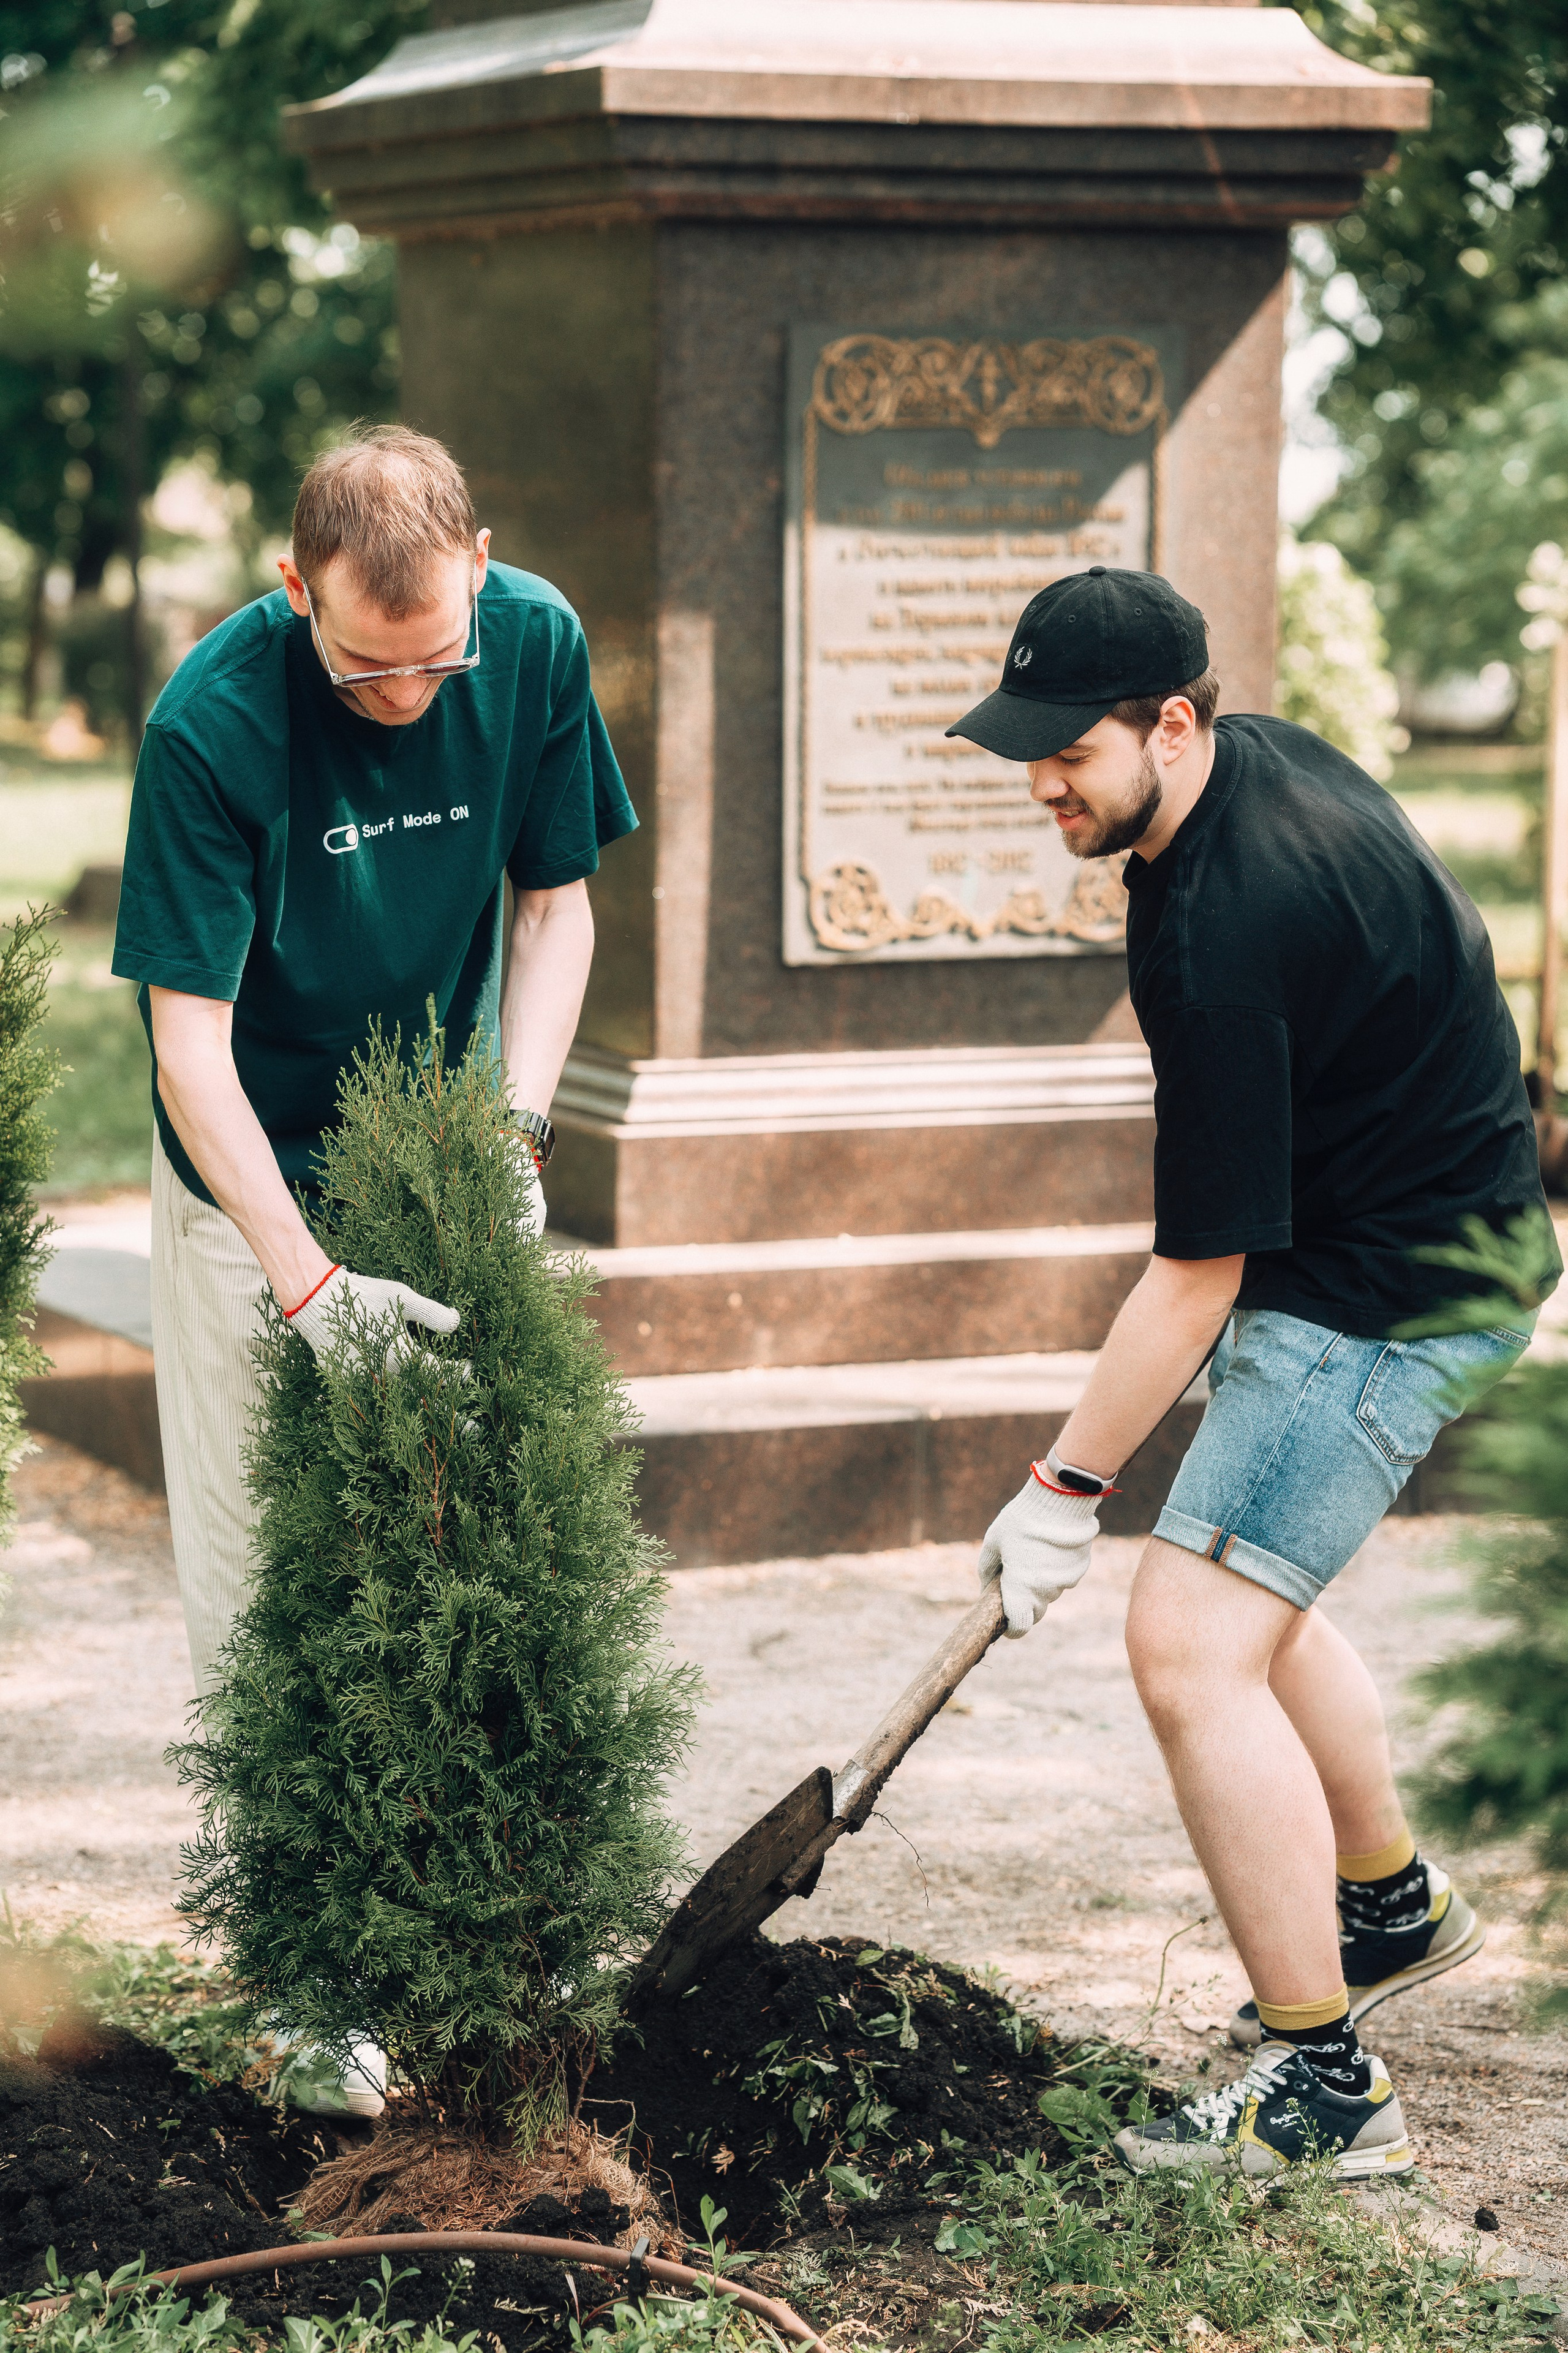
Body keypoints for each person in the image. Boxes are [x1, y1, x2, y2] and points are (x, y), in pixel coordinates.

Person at [949, 566, 1558, 2181]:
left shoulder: (1222, 921)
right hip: (1413, 1237)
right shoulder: (1245, 776)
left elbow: (1196, 1275)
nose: (1041, 784)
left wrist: (1059, 1490)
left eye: (1065, 750)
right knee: (1248, 1594)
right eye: (1026, 748)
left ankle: (1325, 2090)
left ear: (1171, 719)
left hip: (1392, 1291)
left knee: (1188, 1644)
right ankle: (1388, 1904)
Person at [111, 425, 636, 2113]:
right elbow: (187, 1046)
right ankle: (309, 1970)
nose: (411, 694)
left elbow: (556, 909)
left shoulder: (534, 642)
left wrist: (521, 1130)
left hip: (441, 1142)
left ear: (482, 574)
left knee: (467, 1539)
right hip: (250, 1168)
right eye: (366, 663)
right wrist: (306, 1284)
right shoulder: (212, 720)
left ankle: (492, 1925)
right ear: (294, 591)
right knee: (267, 1572)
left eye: (439, 658)